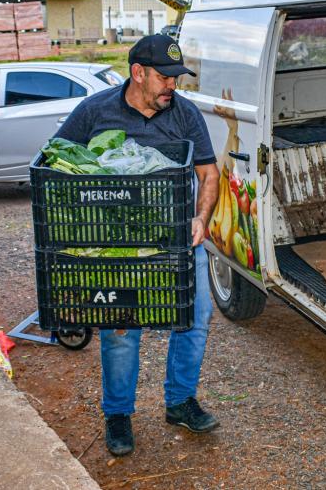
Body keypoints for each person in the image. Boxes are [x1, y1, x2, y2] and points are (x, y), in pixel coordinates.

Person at [53, 34, 221, 457]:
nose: (172, 86)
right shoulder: (94, 111)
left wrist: (201, 219)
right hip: (118, 244)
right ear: (138, 73)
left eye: (176, 78)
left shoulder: (184, 113)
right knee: (121, 327)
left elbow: (209, 174)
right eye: (165, 78)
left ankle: (180, 401)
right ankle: (118, 414)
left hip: (176, 238)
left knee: (196, 317)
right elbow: (56, 165)